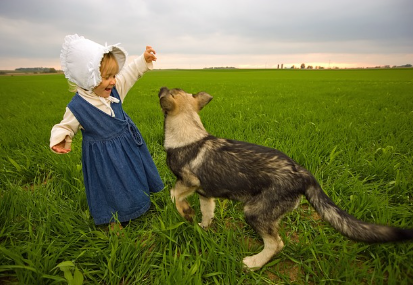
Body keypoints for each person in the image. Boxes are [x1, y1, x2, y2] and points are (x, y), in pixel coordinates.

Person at [50, 34, 164, 228]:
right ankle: (112, 219)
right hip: (103, 158)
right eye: (106, 77)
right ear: (89, 77)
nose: (113, 81)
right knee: (109, 187)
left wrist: (143, 60)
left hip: (127, 147)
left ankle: (139, 204)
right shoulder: (78, 106)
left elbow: (129, 73)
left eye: (113, 76)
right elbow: (66, 125)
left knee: (132, 176)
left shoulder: (115, 89)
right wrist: (61, 138)